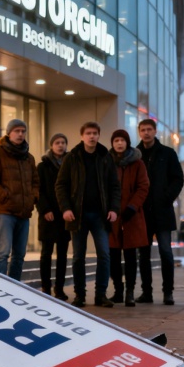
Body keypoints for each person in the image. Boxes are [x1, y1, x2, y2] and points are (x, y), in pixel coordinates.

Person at [55, 121, 120, 308]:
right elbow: (60, 185)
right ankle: (80, 295)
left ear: (99, 135)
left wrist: (114, 209)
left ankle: (101, 295)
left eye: (95, 133)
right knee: (78, 256)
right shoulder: (72, 157)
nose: (92, 136)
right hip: (78, 215)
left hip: (101, 215)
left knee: (104, 255)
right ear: (82, 136)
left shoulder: (105, 157)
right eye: (88, 133)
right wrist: (66, 208)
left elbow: (115, 186)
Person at [135, 119, 184, 305]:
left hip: (162, 210)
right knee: (144, 254)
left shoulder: (167, 153)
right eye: (143, 130)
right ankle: (146, 292)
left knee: (165, 251)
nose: (146, 133)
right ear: (139, 132)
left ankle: (168, 292)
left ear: (155, 131)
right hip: (141, 213)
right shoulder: (135, 155)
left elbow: (178, 179)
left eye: (149, 129)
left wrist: (166, 197)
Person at [0, 119, 38, 281]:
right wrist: (5, 196)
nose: (20, 134)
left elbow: (36, 182)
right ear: (9, 133)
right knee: (3, 253)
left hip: (24, 212)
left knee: (20, 254)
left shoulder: (29, 158)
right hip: (5, 212)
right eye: (17, 131)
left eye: (23, 131)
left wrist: (32, 197)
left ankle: (14, 286)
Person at [106, 129, 150, 307]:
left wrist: (132, 206)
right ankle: (118, 290)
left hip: (132, 215)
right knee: (113, 256)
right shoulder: (106, 162)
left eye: (122, 140)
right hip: (112, 215)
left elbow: (143, 186)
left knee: (131, 256)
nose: (119, 143)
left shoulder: (137, 163)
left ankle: (130, 292)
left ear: (127, 143)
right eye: (116, 140)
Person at [36, 133, 71, 300]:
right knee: (46, 253)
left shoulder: (70, 165)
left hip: (65, 215)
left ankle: (59, 289)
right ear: (51, 145)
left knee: (63, 254)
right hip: (48, 215)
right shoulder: (42, 166)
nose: (60, 145)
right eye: (57, 142)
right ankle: (46, 288)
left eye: (63, 143)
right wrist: (44, 210)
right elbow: (38, 191)